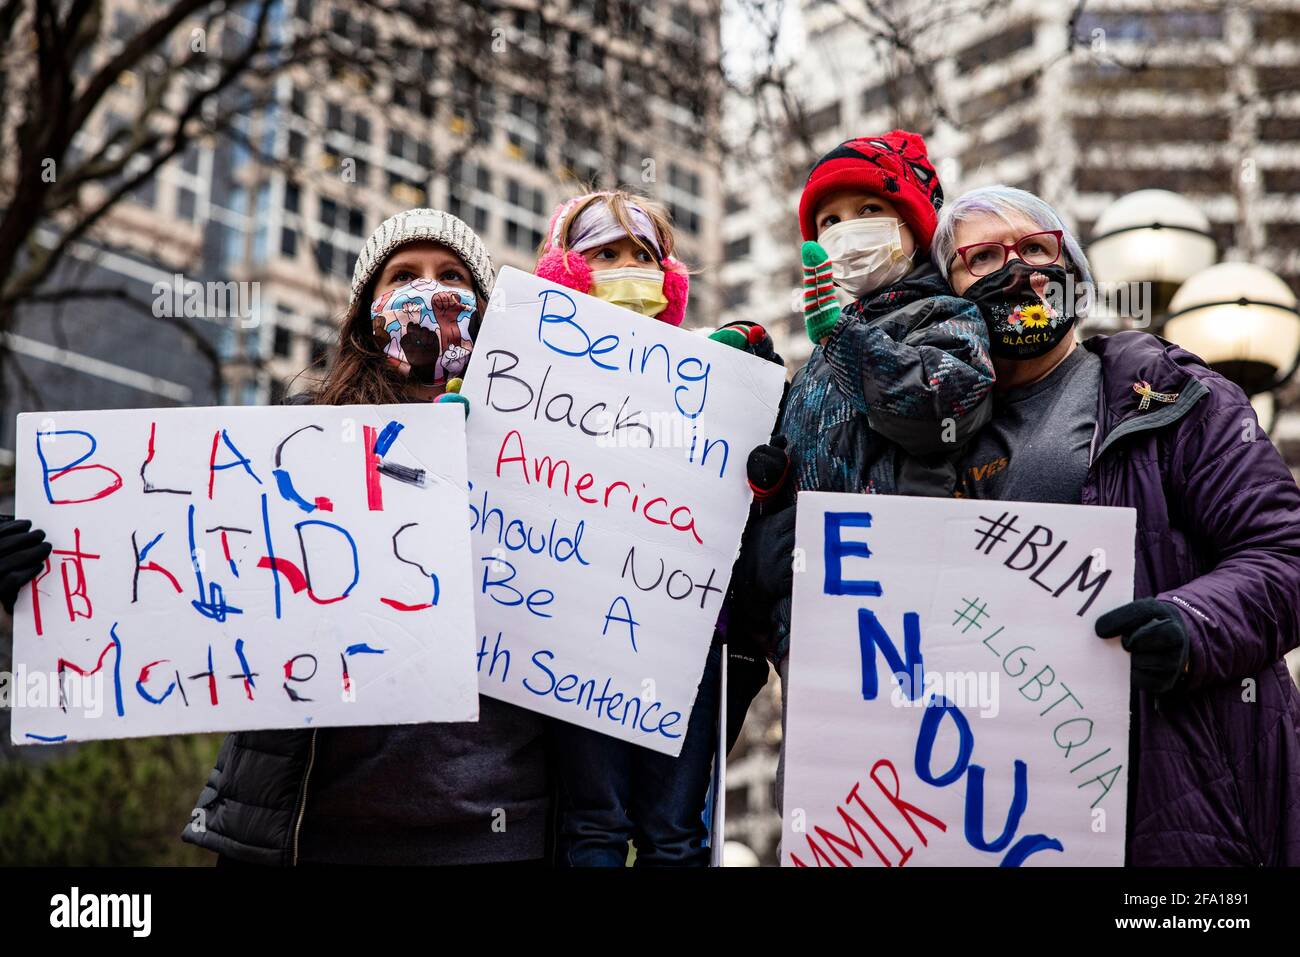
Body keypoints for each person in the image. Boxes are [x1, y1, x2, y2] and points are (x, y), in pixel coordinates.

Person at [932, 183, 1300, 866]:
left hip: (1185, 808)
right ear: (948, 292)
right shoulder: (926, 444)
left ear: (1073, 269)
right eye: (981, 258)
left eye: (1037, 249)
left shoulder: (1174, 396)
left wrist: (1192, 623)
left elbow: (1285, 553)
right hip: (996, 811)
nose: (1017, 271)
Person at [171, 207, 550, 865]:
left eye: (452, 275)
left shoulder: (542, 454)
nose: (429, 291)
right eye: (403, 275)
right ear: (366, 316)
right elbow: (190, 583)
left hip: (501, 840)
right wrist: (50, 587)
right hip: (321, 836)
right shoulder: (294, 442)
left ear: (487, 314)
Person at [735, 132, 996, 810]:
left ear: (911, 225)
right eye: (829, 220)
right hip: (811, 625)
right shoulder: (818, 357)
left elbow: (946, 403)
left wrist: (844, 340)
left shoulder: (944, 315)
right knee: (827, 814)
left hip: (903, 617)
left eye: (865, 212)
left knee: (911, 806)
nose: (846, 232)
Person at [534, 189, 781, 865]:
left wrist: (762, 465)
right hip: (576, 626)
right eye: (604, 253)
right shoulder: (530, 374)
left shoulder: (714, 372)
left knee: (676, 830)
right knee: (593, 821)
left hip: (687, 633)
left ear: (667, 276)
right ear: (567, 271)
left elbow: (747, 499)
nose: (625, 268)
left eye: (641, 255)